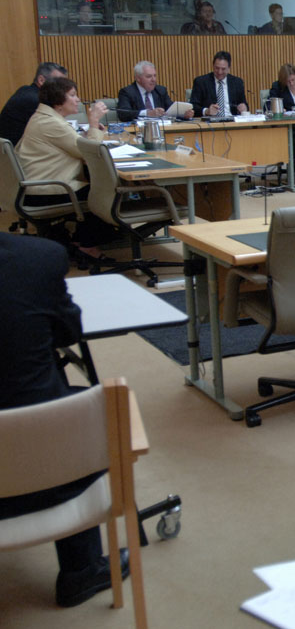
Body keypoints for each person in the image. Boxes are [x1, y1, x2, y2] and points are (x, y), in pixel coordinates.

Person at [0, 232, 129, 608]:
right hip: (50, 472)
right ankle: (81, 570)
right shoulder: (37, 257)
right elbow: (69, 330)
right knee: (77, 414)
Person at [15, 77, 110, 258]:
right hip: (45, 191)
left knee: (97, 187)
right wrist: (93, 122)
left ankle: (80, 240)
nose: (78, 100)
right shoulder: (51, 123)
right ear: (58, 102)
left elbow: (74, 144)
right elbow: (91, 153)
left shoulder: (44, 117)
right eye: (73, 95)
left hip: (36, 187)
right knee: (104, 192)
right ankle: (87, 245)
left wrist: (91, 130)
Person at [0, 62, 67, 145]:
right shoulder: (36, 101)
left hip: (12, 151)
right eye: (59, 83)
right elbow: (57, 131)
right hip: (20, 153)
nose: (63, 89)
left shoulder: (25, 90)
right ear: (41, 80)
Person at [117, 60, 192, 122]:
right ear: (138, 78)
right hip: (139, 131)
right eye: (149, 76)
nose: (153, 80)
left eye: (155, 76)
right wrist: (147, 113)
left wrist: (183, 114)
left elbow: (170, 110)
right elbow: (123, 114)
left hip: (162, 128)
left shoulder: (160, 90)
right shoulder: (127, 92)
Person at [190, 51, 248, 118]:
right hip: (210, 124)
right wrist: (206, 111)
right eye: (217, 68)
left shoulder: (237, 82)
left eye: (223, 69)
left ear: (229, 68)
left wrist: (244, 108)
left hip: (232, 122)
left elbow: (243, 104)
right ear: (213, 66)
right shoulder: (201, 82)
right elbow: (193, 106)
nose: (219, 72)